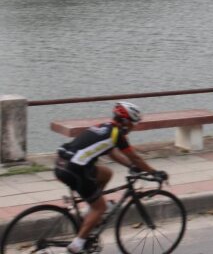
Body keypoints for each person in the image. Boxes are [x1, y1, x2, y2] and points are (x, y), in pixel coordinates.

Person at [54, 101, 167, 254]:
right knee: (100, 207)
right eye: (134, 123)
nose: (134, 127)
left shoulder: (106, 127)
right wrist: (155, 172)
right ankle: (77, 245)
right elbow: (136, 158)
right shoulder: (118, 135)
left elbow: (112, 153)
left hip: (62, 164)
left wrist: (131, 167)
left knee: (106, 173)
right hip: (75, 170)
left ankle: (90, 210)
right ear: (126, 122)